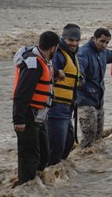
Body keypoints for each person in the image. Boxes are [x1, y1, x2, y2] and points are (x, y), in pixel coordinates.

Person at [12, 31, 60, 185]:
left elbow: (45, 77)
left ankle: (35, 186)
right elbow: (21, 93)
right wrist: (18, 120)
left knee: (44, 154)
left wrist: (57, 74)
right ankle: (25, 187)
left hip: (40, 116)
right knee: (29, 157)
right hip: (28, 116)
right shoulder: (33, 64)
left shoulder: (44, 60)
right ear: (53, 48)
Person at [76, 28, 112, 148]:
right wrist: (80, 75)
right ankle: (80, 162)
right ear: (94, 38)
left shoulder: (103, 52)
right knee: (89, 136)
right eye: (102, 41)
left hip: (98, 100)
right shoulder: (84, 52)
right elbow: (80, 64)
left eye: (107, 43)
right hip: (85, 100)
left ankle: (96, 163)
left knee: (98, 137)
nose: (104, 45)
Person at [47, 24, 81, 166]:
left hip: (67, 108)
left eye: (76, 40)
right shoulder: (59, 55)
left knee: (68, 143)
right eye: (70, 40)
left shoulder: (72, 55)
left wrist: (80, 78)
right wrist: (55, 72)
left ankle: (57, 177)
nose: (74, 43)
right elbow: (47, 69)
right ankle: (45, 175)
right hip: (56, 108)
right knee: (57, 147)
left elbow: (72, 74)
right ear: (63, 38)